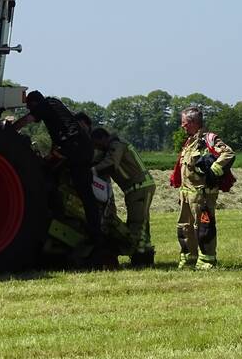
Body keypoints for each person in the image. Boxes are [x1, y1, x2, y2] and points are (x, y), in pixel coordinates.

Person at [12, 91, 105, 259]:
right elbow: (61, 133)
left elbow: (26, 121)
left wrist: (9, 130)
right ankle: (79, 223)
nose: (29, 109)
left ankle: (94, 234)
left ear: (34, 103)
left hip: (76, 150)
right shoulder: (54, 104)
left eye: (29, 106)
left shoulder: (43, 107)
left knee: (83, 192)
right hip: (81, 147)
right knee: (77, 189)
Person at [171, 106, 235, 270]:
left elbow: (228, 153)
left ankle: (207, 261)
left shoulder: (208, 139)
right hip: (186, 196)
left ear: (193, 122)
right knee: (185, 229)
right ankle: (189, 260)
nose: (182, 126)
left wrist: (214, 170)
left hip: (203, 195)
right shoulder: (190, 142)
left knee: (204, 228)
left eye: (184, 123)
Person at [92, 127, 156, 266]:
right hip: (135, 189)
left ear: (103, 138)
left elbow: (111, 163)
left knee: (138, 223)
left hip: (139, 187)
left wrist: (92, 171)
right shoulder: (113, 145)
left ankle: (141, 259)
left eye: (97, 144)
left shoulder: (117, 145)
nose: (98, 148)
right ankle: (143, 255)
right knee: (139, 223)